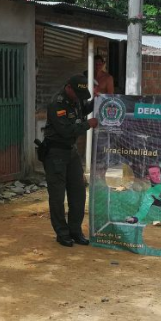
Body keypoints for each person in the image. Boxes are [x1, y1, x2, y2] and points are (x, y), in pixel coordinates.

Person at [43, 73, 97, 247]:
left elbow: (85, 109)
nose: (80, 100)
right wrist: (88, 124)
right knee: (58, 197)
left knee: (78, 193)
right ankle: (62, 233)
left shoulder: (77, 99)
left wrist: (98, 101)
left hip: (71, 153)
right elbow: (66, 131)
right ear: (68, 88)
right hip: (55, 154)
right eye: (77, 95)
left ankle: (75, 230)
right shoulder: (56, 105)